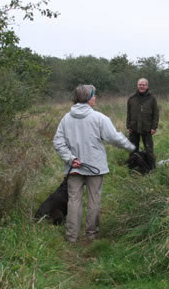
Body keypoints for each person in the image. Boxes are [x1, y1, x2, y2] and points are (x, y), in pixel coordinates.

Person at [53, 84, 135, 242]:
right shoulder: (99, 118)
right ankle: (91, 235)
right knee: (94, 201)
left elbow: (58, 142)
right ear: (88, 97)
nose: (95, 98)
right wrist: (132, 148)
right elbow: (114, 138)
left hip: (74, 167)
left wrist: (70, 159)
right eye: (94, 95)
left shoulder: (66, 118)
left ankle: (72, 236)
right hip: (95, 167)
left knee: (74, 201)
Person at [126, 78, 159, 169]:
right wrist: (128, 126)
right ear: (137, 86)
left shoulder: (152, 98)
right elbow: (128, 113)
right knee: (133, 148)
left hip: (147, 128)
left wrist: (154, 127)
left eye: (143, 85)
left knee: (149, 149)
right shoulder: (131, 98)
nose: (141, 86)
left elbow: (156, 114)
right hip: (134, 128)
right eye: (140, 84)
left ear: (147, 86)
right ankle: (132, 167)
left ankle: (151, 168)